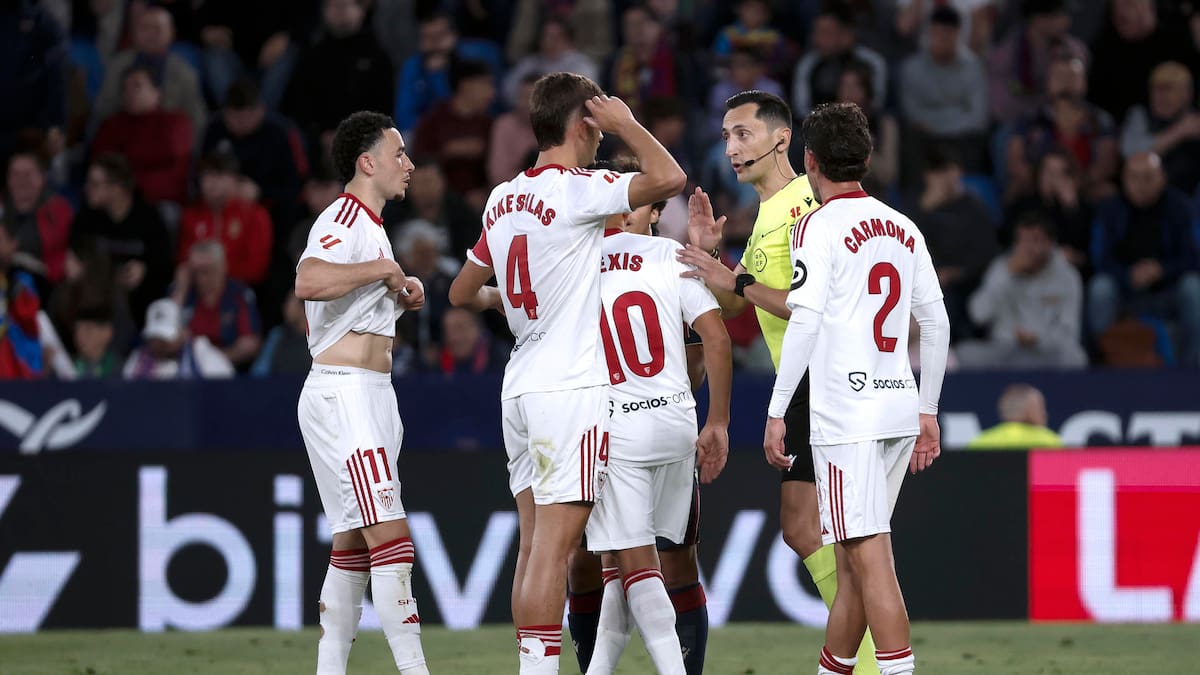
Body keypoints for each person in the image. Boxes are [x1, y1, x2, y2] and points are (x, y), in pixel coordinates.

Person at [448, 72, 685, 674]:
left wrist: (506, 302)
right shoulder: (578, 189)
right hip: (569, 387)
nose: (603, 135)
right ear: (584, 123)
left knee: (533, 548)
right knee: (556, 551)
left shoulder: (502, 197)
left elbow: (460, 290)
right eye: (597, 123)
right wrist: (629, 122)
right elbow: (669, 180)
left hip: (520, 381)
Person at [675, 90, 879, 674]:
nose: (731, 148)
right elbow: (744, 311)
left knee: (824, 531)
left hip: (824, 377)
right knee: (809, 528)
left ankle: (867, 661)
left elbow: (810, 305)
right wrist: (718, 262)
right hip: (806, 381)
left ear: (781, 139)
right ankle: (866, 658)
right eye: (725, 137)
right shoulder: (771, 211)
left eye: (743, 134)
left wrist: (733, 280)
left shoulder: (800, 206)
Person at [764, 102, 950, 675]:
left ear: (809, 160)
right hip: (896, 405)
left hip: (847, 416)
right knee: (851, 562)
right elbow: (937, 324)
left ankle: (897, 671)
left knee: (871, 558)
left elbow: (805, 319)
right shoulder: (903, 225)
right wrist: (929, 410)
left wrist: (775, 412)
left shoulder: (815, 226)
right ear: (866, 160)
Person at [564, 156, 731, 675]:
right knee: (611, 564)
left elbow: (699, 360)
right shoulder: (667, 258)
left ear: (654, 210)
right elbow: (716, 340)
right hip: (674, 423)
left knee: (639, 562)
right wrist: (717, 421)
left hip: (617, 429)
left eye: (637, 202)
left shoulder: (573, 264)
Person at [293, 110, 429, 675]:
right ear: (366, 162)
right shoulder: (344, 216)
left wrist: (398, 294)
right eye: (398, 154)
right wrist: (382, 268)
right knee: (392, 538)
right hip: (345, 394)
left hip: (370, 392)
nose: (409, 164)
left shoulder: (371, 225)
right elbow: (308, 279)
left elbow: (350, 297)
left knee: (351, 545)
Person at [957, 212, 1088, 369]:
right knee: (964, 353)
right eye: (1022, 241)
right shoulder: (1002, 268)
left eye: (1035, 241)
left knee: (1076, 357)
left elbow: (1069, 332)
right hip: (1006, 349)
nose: (1028, 249)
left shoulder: (1067, 276)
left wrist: (1038, 339)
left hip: (1046, 350)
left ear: (1050, 243)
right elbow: (978, 315)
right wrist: (1007, 275)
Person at [122, 297, 234, 380]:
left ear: (183, 333)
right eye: (155, 336)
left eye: (166, 337)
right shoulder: (137, 359)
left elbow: (225, 388)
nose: (160, 343)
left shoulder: (201, 353)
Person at [967, 383, 1063, 449]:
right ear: (1029, 410)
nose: (1044, 413)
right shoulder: (1050, 442)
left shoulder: (981, 441)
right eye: (1040, 407)